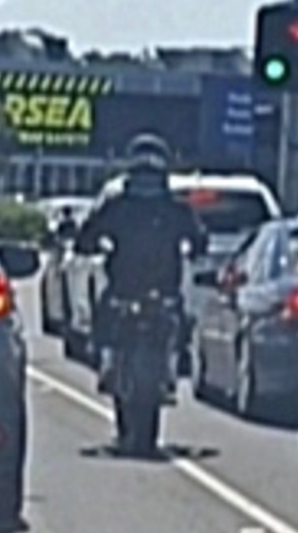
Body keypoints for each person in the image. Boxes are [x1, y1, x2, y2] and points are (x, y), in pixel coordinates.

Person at [74, 134, 207, 401]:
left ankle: (165, 363)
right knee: (109, 313)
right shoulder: (166, 208)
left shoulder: (124, 206)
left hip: (145, 287)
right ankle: (111, 360)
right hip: (138, 287)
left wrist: (89, 243)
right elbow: (199, 239)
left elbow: (198, 238)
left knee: (176, 318)